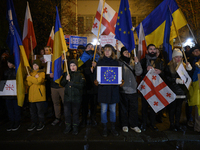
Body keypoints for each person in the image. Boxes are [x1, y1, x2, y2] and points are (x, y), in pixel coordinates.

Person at [94, 44, 121, 137]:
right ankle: (105, 128)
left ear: (112, 52)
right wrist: (96, 81)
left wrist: (121, 81)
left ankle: (113, 128)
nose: (107, 52)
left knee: (113, 110)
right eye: (105, 50)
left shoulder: (116, 62)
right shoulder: (100, 62)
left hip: (113, 90)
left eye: (109, 50)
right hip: (103, 90)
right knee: (103, 110)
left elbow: (119, 76)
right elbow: (96, 76)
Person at [164, 48, 192, 131]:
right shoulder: (169, 66)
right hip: (172, 91)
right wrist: (175, 80)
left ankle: (177, 124)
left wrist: (189, 70)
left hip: (181, 91)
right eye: (177, 57)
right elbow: (166, 78)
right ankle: (171, 124)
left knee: (179, 109)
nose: (179, 59)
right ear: (173, 57)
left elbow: (188, 78)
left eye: (180, 57)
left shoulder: (184, 66)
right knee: (172, 108)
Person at [140, 44, 165, 131]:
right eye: (150, 49)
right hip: (146, 87)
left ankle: (152, 123)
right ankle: (143, 123)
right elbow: (138, 73)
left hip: (155, 87)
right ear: (147, 51)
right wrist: (145, 70)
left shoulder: (159, 61)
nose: (152, 51)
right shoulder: (143, 61)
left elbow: (165, 73)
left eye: (154, 49)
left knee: (153, 106)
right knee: (144, 106)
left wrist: (160, 72)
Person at [118, 47, 143, 133]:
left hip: (133, 89)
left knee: (134, 108)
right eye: (125, 52)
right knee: (123, 108)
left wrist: (137, 63)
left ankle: (134, 125)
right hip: (123, 89)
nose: (127, 53)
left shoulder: (133, 61)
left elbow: (139, 72)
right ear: (122, 53)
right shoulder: (119, 62)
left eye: (128, 52)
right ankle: (124, 124)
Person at [60, 59, 85, 135]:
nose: (72, 67)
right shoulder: (66, 74)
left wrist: (72, 83)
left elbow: (82, 85)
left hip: (76, 99)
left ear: (77, 66)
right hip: (67, 98)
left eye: (74, 65)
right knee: (67, 114)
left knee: (75, 114)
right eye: (71, 65)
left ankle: (75, 127)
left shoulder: (80, 75)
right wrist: (65, 79)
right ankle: (68, 127)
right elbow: (62, 84)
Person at [79, 43, 99, 127]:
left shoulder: (97, 58)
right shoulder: (81, 59)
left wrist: (96, 66)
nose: (90, 48)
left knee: (94, 103)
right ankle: (84, 118)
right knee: (84, 103)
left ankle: (93, 118)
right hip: (85, 84)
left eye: (92, 47)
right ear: (86, 49)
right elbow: (78, 69)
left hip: (94, 84)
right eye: (88, 47)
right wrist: (88, 69)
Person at [26, 59, 46, 131]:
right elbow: (28, 83)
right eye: (34, 64)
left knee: (40, 111)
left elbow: (39, 82)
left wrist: (30, 78)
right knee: (32, 112)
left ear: (39, 66)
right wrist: (34, 78)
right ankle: (34, 123)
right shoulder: (30, 73)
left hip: (39, 96)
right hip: (32, 97)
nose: (35, 66)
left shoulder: (42, 73)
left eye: (36, 65)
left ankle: (41, 123)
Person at [3, 56, 21, 131]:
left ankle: (17, 122)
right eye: (8, 63)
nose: (8, 64)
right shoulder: (6, 71)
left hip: (15, 93)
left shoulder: (16, 71)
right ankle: (12, 121)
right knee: (9, 109)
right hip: (8, 94)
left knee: (16, 108)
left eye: (10, 63)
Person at [188, 45, 200, 132]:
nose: (197, 52)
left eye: (198, 51)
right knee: (196, 105)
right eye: (195, 51)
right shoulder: (191, 60)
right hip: (195, 84)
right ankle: (196, 126)